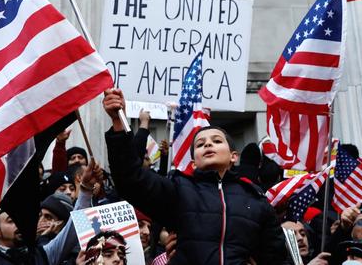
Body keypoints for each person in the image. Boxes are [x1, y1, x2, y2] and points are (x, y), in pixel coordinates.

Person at [102, 88, 286, 264]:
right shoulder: (179, 189)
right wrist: (119, 122)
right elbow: (130, 179)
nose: (208, 145)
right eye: (200, 144)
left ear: (233, 156)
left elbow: (275, 256)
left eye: (216, 141)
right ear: (194, 162)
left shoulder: (255, 200)